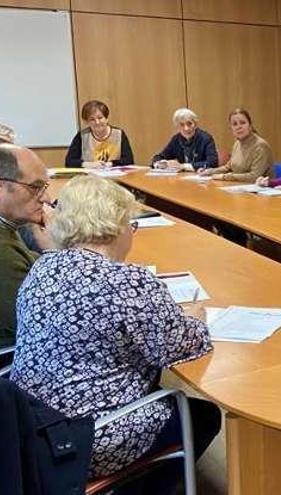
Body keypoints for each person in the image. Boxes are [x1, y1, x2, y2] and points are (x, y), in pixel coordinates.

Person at [10, 175, 219, 493]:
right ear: (116, 224)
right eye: (131, 224)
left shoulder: (43, 266)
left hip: (30, 428)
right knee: (202, 414)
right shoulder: (127, 280)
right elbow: (180, 345)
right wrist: (196, 319)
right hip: (86, 439)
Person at [0, 145, 52, 360]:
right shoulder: (3, 254)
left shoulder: (11, 226)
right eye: (35, 187)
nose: (46, 197)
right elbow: (42, 324)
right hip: (24, 366)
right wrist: (55, 250)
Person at [199, 108, 272, 182]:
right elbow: (228, 167)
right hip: (239, 187)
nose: (239, 127)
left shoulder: (261, 146)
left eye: (243, 123)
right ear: (231, 128)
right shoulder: (237, 143)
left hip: (259, 189)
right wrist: (209, 171)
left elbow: (254, 176)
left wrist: (225, 177)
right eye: (234, 124)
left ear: (250, 125)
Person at [65, 100, 134, 169]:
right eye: (92, 119)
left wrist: (111, 164)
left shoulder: (119, 134)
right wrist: (88, 164)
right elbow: (69, 162)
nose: (97, 122)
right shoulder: (82, 136)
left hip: (115, 176)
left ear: (106, 119)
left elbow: (129, 160)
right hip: (90, 177)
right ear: (86, 122)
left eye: (100, 118)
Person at [151, 108, 219, 171]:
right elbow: (159, 157)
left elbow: (213, 163)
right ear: (177, 127)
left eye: (189, 124)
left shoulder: (205, 138)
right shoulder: (176, 139)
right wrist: (160, 164)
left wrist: (184, 166)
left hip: (201, 177)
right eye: (182, 125)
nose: (186, 128)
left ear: (195, 124)